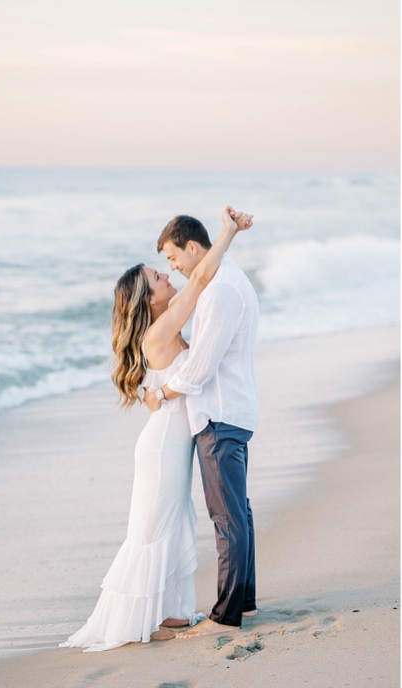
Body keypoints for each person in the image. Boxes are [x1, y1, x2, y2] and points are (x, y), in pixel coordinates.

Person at [61, 207, 252, 652]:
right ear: (149, 299)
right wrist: (228, 232)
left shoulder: (163, 327)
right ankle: (132, 623)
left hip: (170, 442)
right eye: (158, 276)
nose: (168, 276)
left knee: (171, 524)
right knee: (154, 529)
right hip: (164, 447)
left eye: (165, 267)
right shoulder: (161, 328)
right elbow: (203, 280)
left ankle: (167, 614)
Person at [144, 209, 262, 634]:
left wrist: (159, 392)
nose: (173, 268)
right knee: (238, 513)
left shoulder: (220, 291)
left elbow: (200, 368)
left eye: (174, 259)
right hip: (231, 409)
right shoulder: (221, 281)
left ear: (192, 247)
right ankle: (243, 600)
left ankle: (227, 614)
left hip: (219, 413)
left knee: (227, 517)